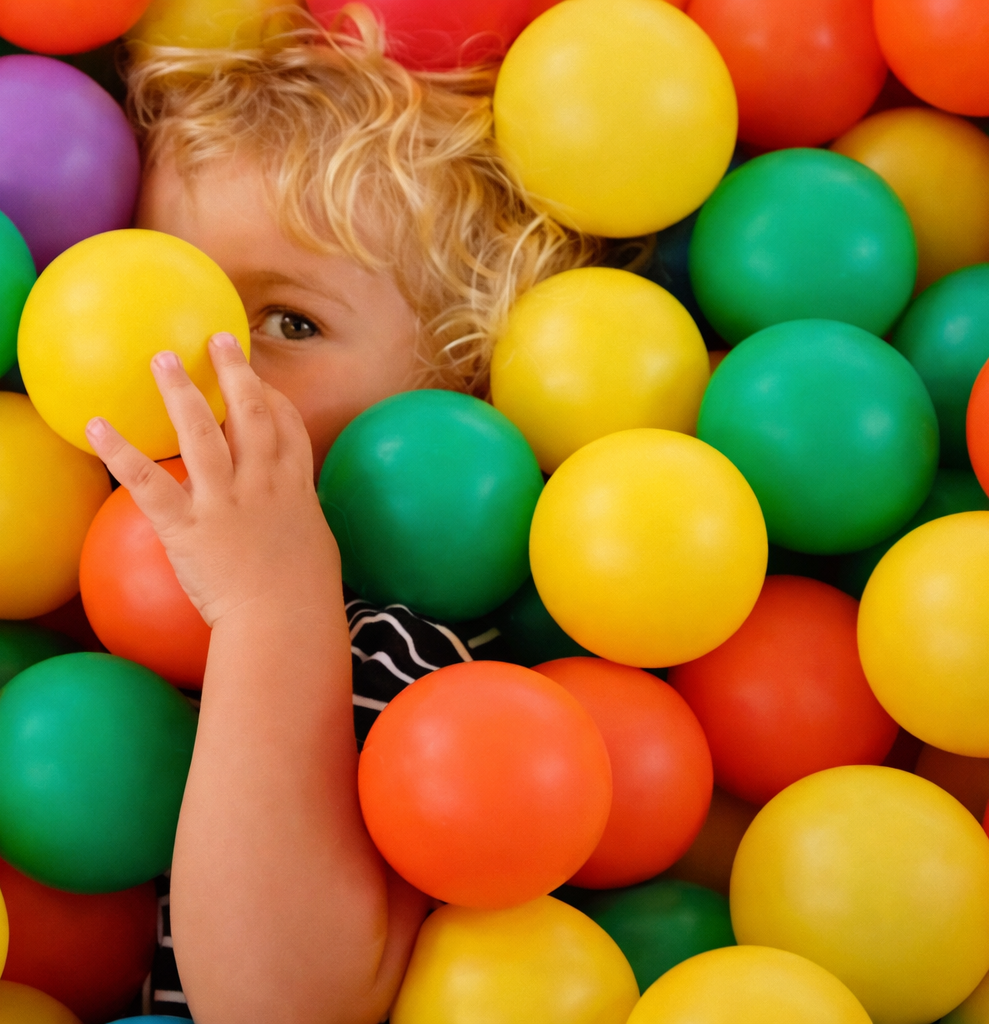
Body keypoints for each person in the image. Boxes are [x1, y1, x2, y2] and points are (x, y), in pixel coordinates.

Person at [88, 11, 642, 1022]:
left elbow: (274, 1005)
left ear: (454, 395)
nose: (205, 373)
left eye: (289, 322)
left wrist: (270, 607)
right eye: (169, 302)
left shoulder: (390, 659)